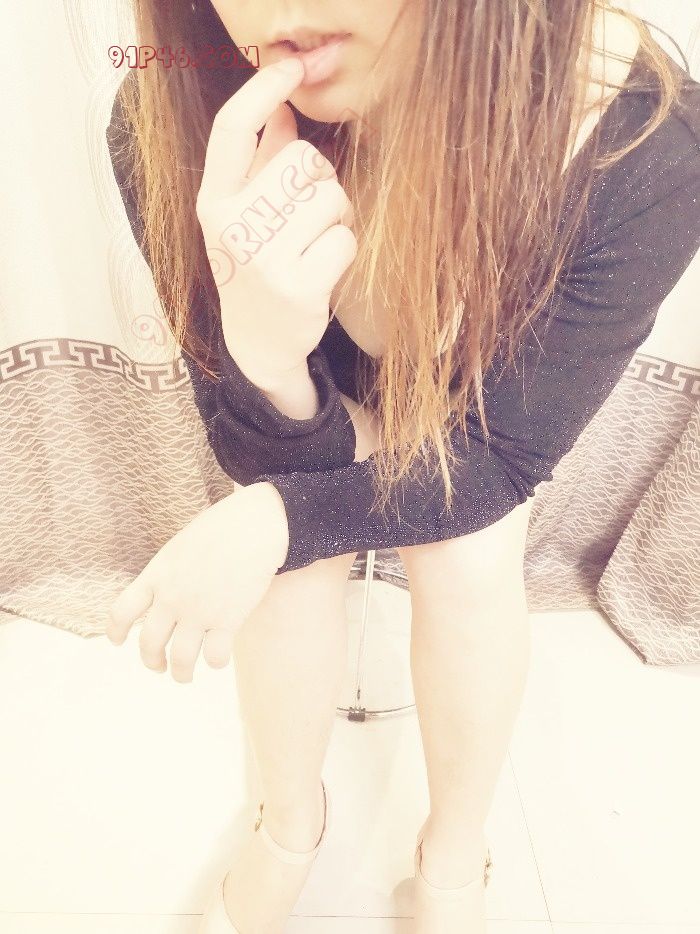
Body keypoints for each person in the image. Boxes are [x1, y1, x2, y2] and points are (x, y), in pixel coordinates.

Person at [105, 1, 700, 931]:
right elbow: (247, 429)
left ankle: (454, 852)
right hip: (320, 383)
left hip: (479, 414)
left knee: (468, 559)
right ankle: (288, 822)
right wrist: (265, 353)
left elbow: (502, 456)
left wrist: (275, 519)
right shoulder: (181, 102)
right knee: (291, 564)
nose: (274, 12)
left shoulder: (640, 144)